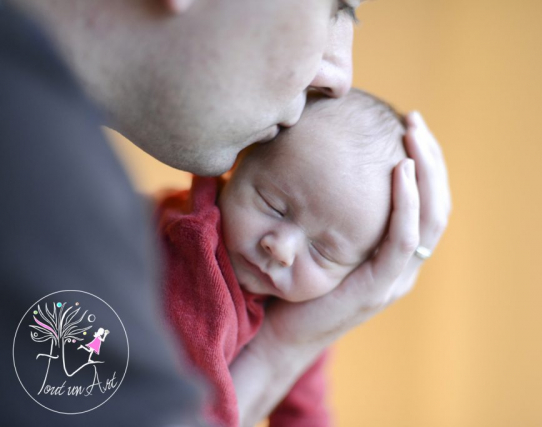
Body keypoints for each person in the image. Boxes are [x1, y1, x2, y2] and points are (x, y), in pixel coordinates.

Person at [0, 0, 451, 426]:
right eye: (339, 6)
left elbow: (306, 411)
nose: (340, 75)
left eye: (324, 252)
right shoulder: (180, 238)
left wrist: (289, 347)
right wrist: (277, 355)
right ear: (235, 175)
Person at [157, 89, 407, 426]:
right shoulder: (192, 249)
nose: (282, 249)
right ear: (237, 162)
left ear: (351, 274)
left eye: (322, 251)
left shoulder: (293, 313)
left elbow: (305, 412)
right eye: (273, 206)